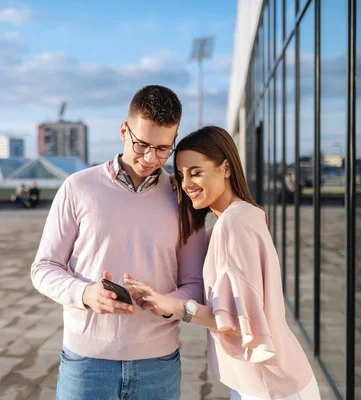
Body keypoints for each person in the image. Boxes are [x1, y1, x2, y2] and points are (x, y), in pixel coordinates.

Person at [31, 85, 207, 400]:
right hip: (85, 364)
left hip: (158, 365)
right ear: (124, 131)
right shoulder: (78, 187)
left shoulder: (183, 198)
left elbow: (195, 283)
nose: (151, 158)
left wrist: (164, 303)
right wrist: (84, 293)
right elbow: (44, 268)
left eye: (164, 148)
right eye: (142, 144)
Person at [126, 126, 320, 400]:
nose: (186, 184)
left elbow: (236, 321)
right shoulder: (239, 218)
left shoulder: (234, 222)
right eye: (181, 176)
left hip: (271, 386)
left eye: (196, 172)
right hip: (263, 380)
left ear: (226, 168)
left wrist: (172, 305)